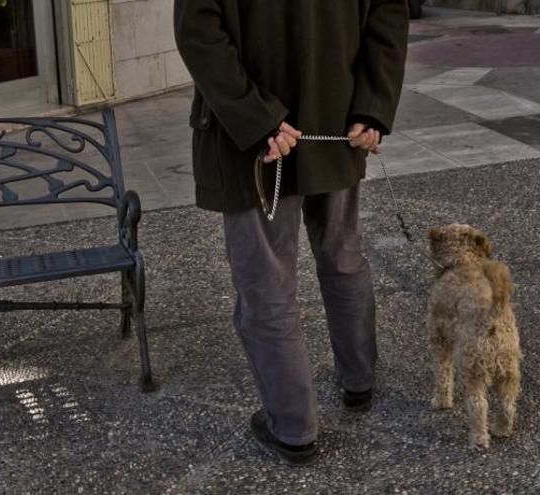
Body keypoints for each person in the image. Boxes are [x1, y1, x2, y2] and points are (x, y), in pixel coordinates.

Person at [174, 0, 408, 466]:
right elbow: (387, 13)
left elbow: (198, 30)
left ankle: (295, 427)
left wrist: (256, 116)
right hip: (331, 119)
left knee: (269, 282)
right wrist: (372, 104)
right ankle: (357, 382)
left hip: (261, 142)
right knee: (341, 256)